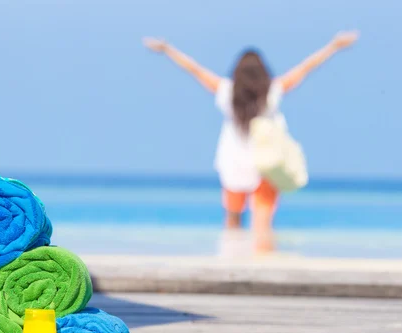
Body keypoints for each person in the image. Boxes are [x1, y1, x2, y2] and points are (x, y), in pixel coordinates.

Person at [144, 31, 359, 252]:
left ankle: (230, 264)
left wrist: (167, 49)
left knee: (233, 220)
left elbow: (194, 69)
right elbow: (306, 67)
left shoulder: (227, 92)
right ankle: (263, 268)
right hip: (265, 163)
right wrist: (334, 45)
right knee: (263, 222)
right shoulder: (272, 92)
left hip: (233, 165)